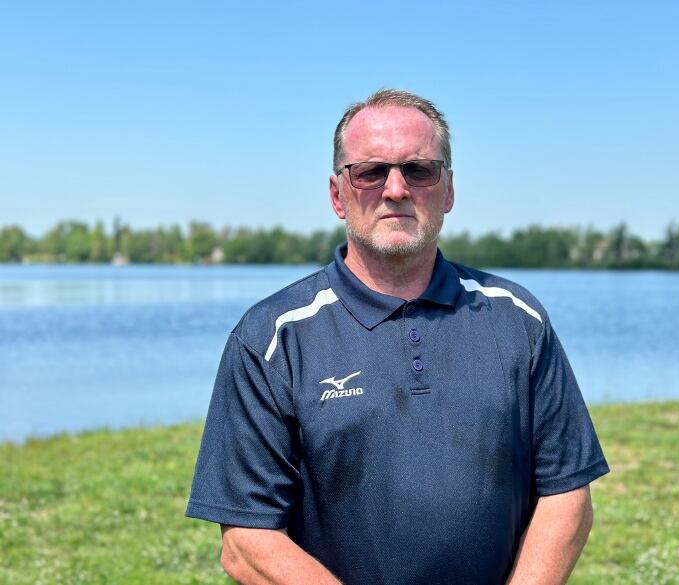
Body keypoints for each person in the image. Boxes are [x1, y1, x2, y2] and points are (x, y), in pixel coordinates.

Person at [186, 89, 609, 585]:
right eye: (369, 172)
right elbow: (246, 541)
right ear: (337, 194)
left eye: (419, 170)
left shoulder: (518, 318)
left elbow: (567, 494)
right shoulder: (271, 337)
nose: (395, 189)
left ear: (448, 190)